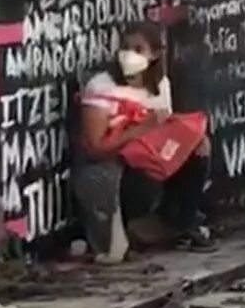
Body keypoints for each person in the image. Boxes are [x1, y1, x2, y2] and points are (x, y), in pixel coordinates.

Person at [71, 23, 213, 257]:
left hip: (149, 156)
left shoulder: (160, 86)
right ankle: (141, 228)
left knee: (199, 146)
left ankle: (176, 222)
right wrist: (138, 130)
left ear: (155, 54)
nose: (130, 55)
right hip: (115, 164)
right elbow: (94, 148)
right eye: (126, 48)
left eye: (138, 49)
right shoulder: (102, 86)